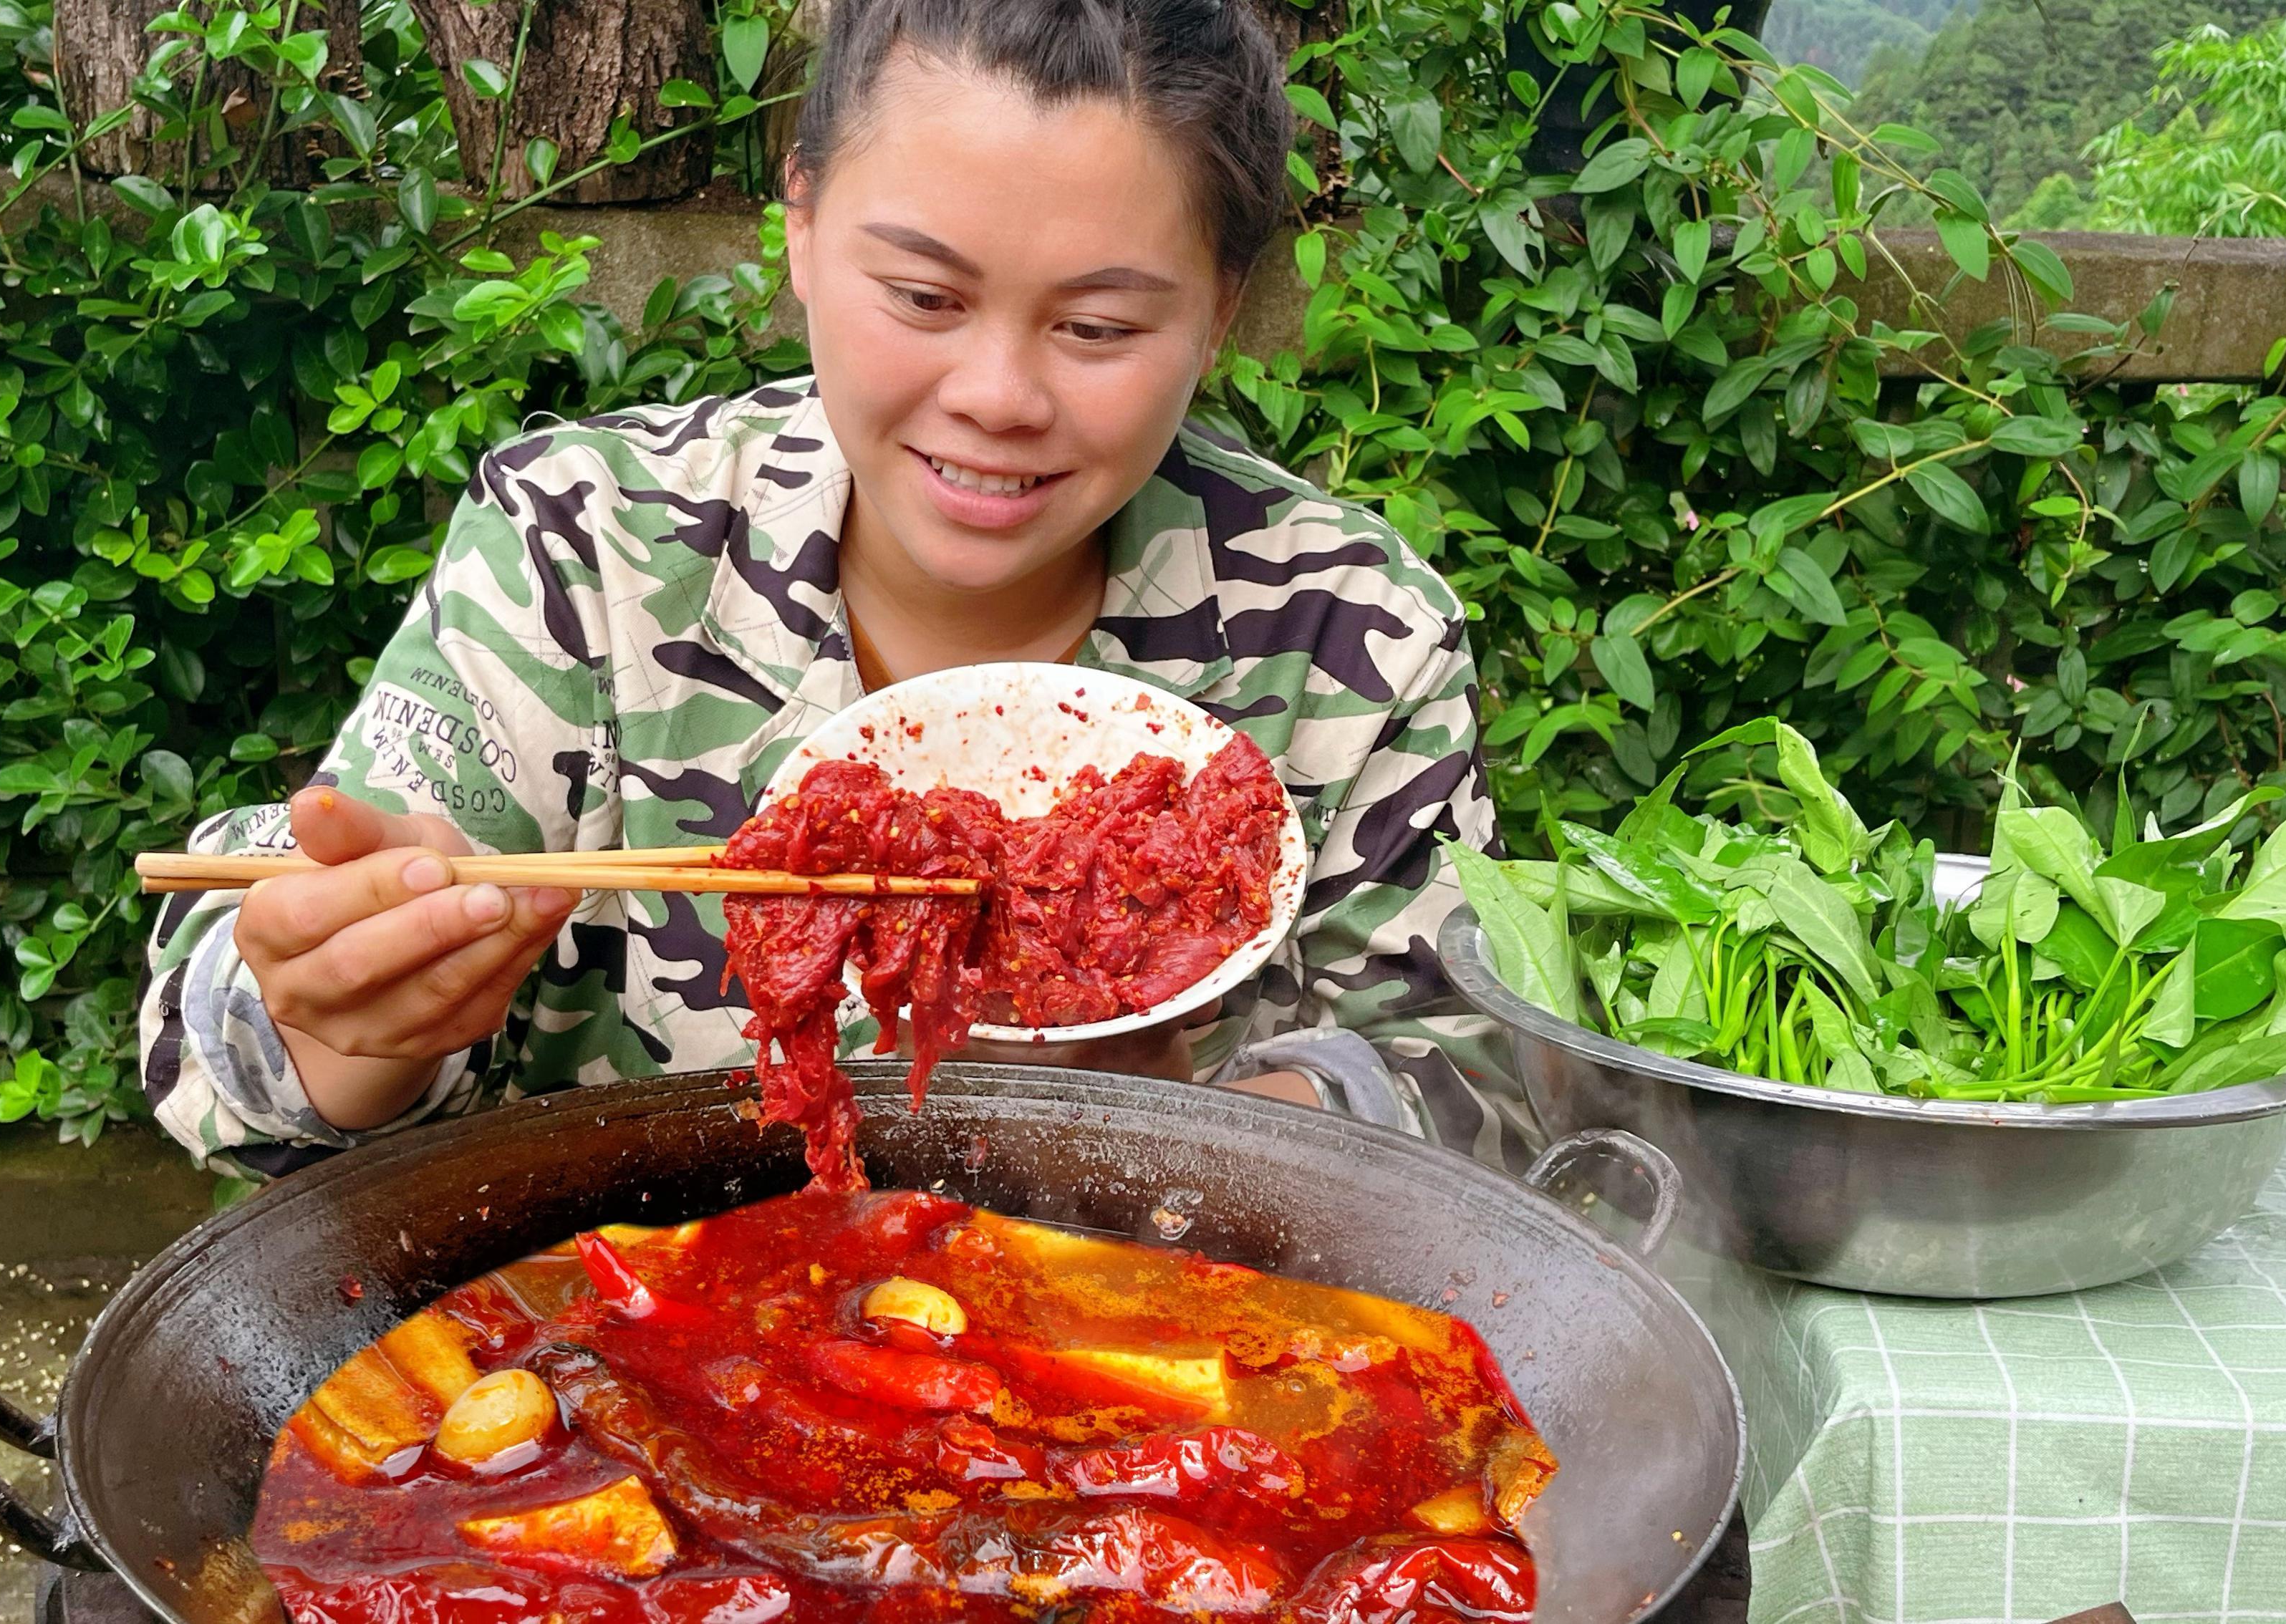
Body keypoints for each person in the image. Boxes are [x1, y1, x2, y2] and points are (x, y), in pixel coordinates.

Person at [140, 0, 1528, 1182]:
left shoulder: (1350, 632)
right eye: (923, 297)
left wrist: (1192, 1134)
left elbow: (1477, 1087)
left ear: (1219, 310)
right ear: (800, 226)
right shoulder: (590, 547)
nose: (997, 396)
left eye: (1098, 326)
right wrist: (335, 1028)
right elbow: (214, 1030)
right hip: (635, 1349)